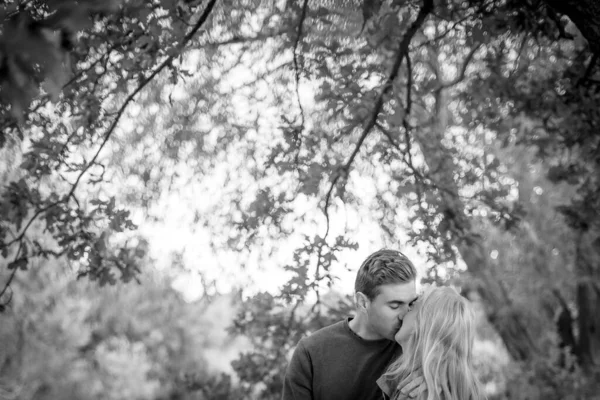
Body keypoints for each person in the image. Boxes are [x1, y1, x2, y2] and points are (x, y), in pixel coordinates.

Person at [282, 249, 421, 400]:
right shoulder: (311, 352)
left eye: (411, 304)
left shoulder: (419, 348)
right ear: (363, 302)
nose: (405, 315)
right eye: (395, 306)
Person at [377, 286, 485, 400]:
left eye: (412, 306)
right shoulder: (404, 377)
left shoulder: (420, 391)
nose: (402, 314)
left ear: (425, 323)